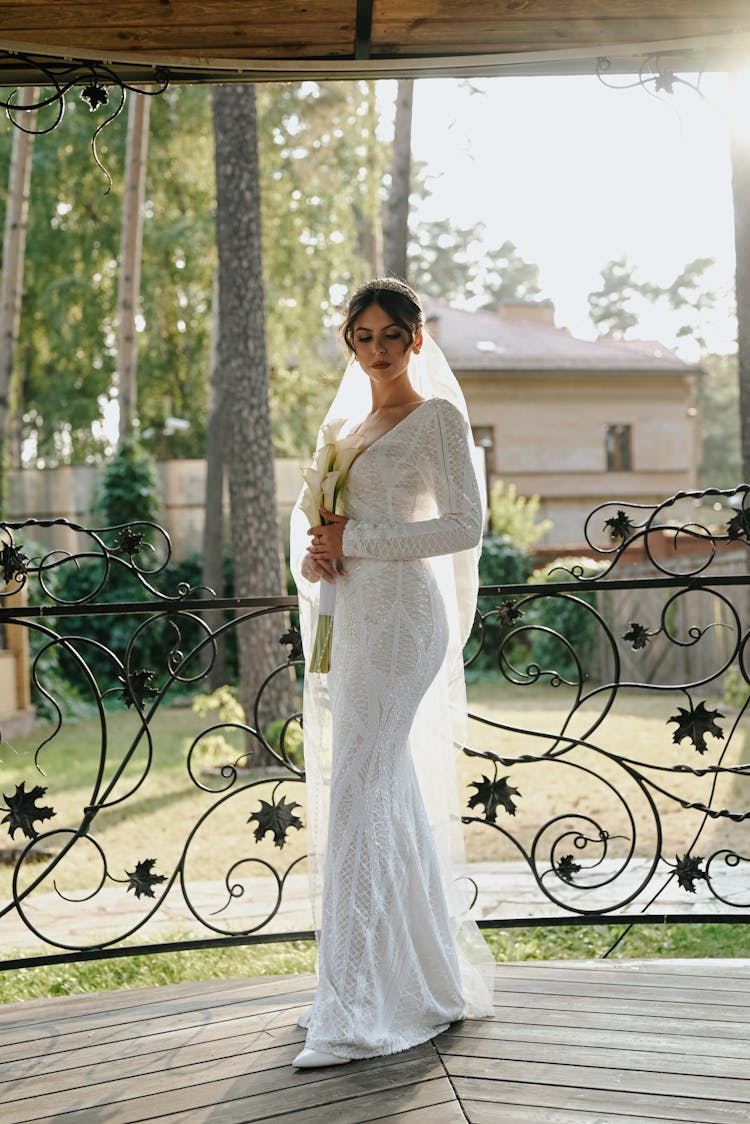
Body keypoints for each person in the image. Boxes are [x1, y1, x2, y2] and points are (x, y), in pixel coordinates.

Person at [290, 278, 495, 1069]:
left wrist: (361, 538)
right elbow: (329, 525)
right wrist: (322, 551)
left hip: (407, 617)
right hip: (356, 613)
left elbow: (463, 525)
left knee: (360, 783)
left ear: (416, 339)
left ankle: (356, 1003)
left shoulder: (435, 419)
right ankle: (416, 982)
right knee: (380, 782)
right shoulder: (345, 425)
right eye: (362, 335)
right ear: (350, 343)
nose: (376, 348)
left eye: (390, 334)